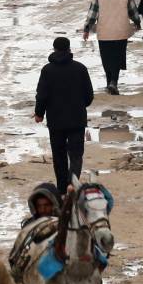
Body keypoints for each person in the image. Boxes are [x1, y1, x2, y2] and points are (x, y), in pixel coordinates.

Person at [34, 36, 94, 192]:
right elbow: (89, 95)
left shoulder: (47, 70)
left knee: (59, 154)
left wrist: (39, 113)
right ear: (69, 49)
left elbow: (42, 95)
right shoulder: (80, 68)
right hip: (77, 119)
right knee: (75, 154)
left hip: (56, 120)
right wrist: (81, 105)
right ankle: (72, 184)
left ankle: (61, 187)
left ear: (54, 49)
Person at [82, 0, 140, 94]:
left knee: (106, 58)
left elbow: (92, 14)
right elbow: (133, 11)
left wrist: (86, 29)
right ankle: (113, 82)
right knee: (117, 57)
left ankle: (110, 82)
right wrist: (137, 22)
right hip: (121, 31)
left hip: (104, 32)